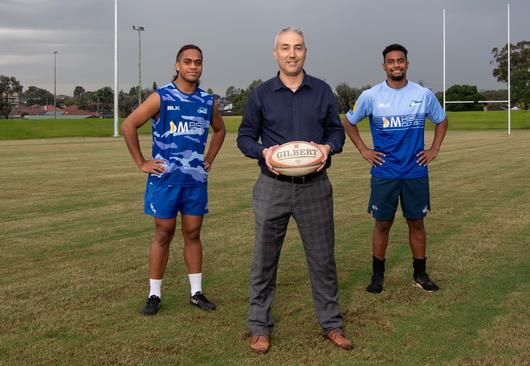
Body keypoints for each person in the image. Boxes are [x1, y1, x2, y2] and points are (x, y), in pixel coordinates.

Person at [237, 26, 352, 354]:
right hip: (272, 187)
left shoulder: (322, 90)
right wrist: (264, 152)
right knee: (263, 259)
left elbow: (336, 132)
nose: (291, 53)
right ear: (276, 53)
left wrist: (328, 149)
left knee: (322, 259)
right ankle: (260, 326)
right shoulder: (261, 94)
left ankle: (332, 323)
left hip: (315, 187)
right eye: (285, 48)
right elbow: (244, 137)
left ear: (305, 52)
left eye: (298, 47)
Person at [122, 44, 226, 315]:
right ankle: (154, 295)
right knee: (163, 234)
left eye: (198, 62)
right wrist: (141, 162)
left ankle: (196, 292)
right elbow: (129, 124)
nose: (193, 66)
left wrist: (210, 159)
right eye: (188, 61)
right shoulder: (162, 97)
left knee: (193, 234)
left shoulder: (207, 101)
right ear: (177, 65)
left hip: (194, 182)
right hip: (166, 181)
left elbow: (220, 130)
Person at [342, 43, 448, 294]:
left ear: (407, 64)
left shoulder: (422, 95)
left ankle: (420, 275)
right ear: (384, 66)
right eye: (391, 61)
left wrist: (434, 149)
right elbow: (348, 121)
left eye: (400, 61)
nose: (396, 65)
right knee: (382, 224)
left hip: (415, 172)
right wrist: (364, 150)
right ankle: (377, 276)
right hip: (384, 173)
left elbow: (442, 121)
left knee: (417, 223)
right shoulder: (371, 96)